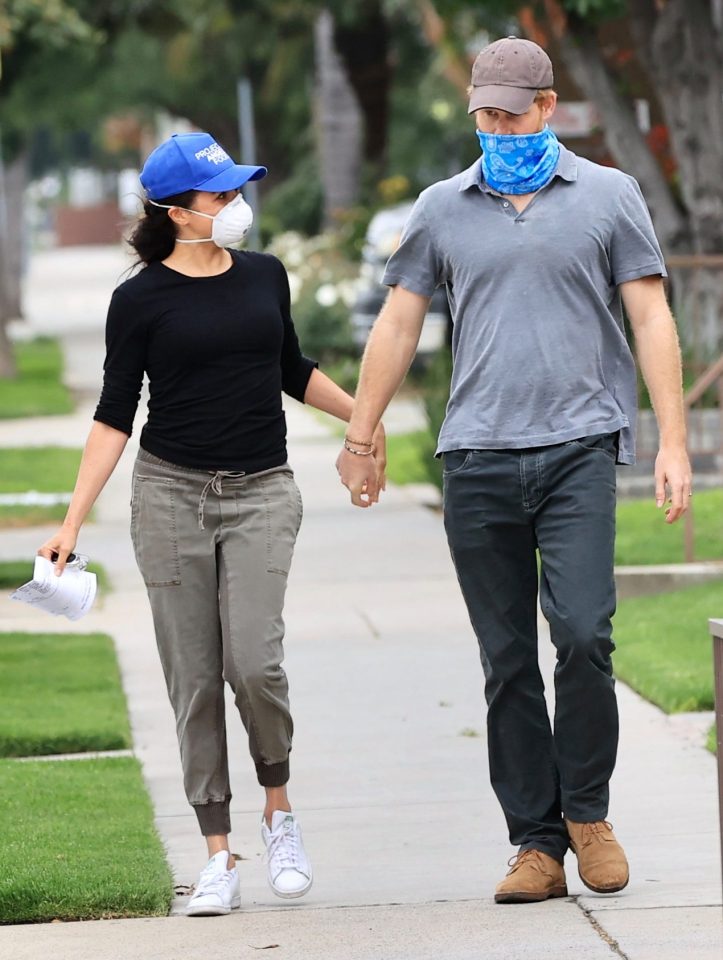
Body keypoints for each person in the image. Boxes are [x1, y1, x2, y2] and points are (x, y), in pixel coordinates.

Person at [336, 36, 692, 904]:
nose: (495, 128)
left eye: (508, 112)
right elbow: (396, 324)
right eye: (482, 115)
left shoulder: (608, 196)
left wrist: (672, 441)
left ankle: (588, 816)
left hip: (577, 450)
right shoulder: (441, 207)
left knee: (581, 634)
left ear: (545, 106)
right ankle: (534, 845)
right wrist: (360, 431)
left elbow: (649, 318)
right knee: (505, 659)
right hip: (477, 457)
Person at [39, 131, 386, 917]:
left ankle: (279, 813)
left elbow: (290, 369)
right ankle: (217, 855)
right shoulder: (138, 301)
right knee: (193, 681)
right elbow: (112, 415)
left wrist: (366, 423)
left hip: (262, 491)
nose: (234, 206)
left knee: (255, 665)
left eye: (236, 191)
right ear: (172, 211)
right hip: (169, 499)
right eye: (218, 195)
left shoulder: (265, 275)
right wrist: (70, 521)